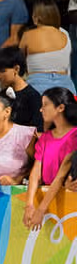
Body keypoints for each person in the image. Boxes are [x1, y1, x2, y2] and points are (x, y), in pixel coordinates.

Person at [24, 88, 77, 231]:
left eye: (45, 105)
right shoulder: (46, 138)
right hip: (50, 197)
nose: (41, 110)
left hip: (69, 200)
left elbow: (60, 177)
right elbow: (36, 172)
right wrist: (29, 204)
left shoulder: (74, 136)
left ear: (60, 108)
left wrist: (40, 210)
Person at [22, 1, 75, 94]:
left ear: (37, 17)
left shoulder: (28, 35)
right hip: (66, 84)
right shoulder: (65, 34)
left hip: (38, 84)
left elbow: (19, 61)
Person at [0, 46, 44, 132]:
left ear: (16, 69)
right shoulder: (2, 95)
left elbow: (38, 130)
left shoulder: (33, 97)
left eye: (2, 71)